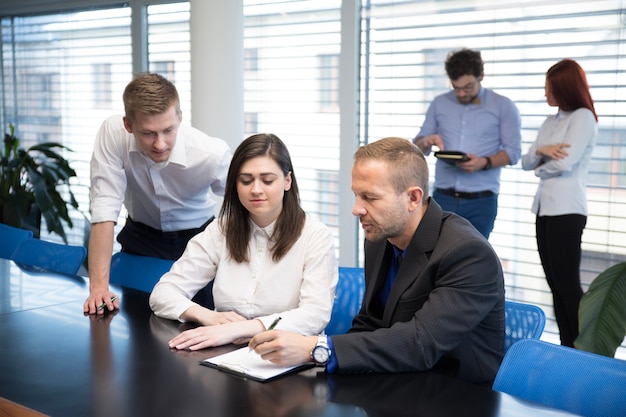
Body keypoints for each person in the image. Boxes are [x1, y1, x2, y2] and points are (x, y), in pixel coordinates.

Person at [249, 137, 505, 385]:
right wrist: (316, 362)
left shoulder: (467, 252)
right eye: (356, 195)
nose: (356, 209)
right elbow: (370, 322)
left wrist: (317, 348)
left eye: (370, 197)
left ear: (413, 198)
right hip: (396, 380)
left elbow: (421, 343)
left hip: (455, 394)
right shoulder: (380, 237)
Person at [149, 133, 338, 349]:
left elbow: (315, 314)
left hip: (288, 355)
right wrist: (209, 317)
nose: (256, 189)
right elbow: (163, 294)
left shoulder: (315, 235)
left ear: (287, 181)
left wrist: (240, 329)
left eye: (267, 180)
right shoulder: (221, 230)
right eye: (246, 180)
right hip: (225, 351)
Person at [84, 72, 231, 315]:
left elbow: (249, 205)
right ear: (128, 125)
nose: (160, 144)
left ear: (180, 118)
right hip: (141, 237)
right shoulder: (112, 134)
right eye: (148, 133)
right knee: (138, 325)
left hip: (198, 239)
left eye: (168, 130)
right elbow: (104, 207)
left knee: (200, 325)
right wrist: (98, 289)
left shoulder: (210, 154)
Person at [521, 59, 598, 348]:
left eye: (550, 88)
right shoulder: (550, 121)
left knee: (567, 285)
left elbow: (563, 163)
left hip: (568, 210)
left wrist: (542, 164)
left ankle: (584, 350)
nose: (545, 94)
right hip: (544, 208)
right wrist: (542, 151)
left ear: (565, 88)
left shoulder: (583, 118)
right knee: (554, 284)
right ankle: (567, 347)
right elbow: (526, 160)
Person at [413, 48, 522, 238]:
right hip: (442, 198)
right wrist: (427, 141)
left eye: (468, 87)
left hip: (480, 202)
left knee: (473, 262)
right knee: (435, 258)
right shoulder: (439, 103)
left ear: (481, 76)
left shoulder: (503, 106)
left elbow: (513, 153)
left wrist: (484, 162)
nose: (461, 93)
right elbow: (418, 145)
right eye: (456, 88)